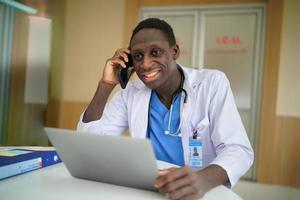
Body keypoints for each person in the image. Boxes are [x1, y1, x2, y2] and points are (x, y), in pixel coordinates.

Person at [77, 18, 253, 199]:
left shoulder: (210, 84)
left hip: (200, 193)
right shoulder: (131, 92)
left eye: (155, 52)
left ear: (174, 51)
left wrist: (202, 180)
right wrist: (106, 84)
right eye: (137, 56)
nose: (145, 64)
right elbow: (90, 143)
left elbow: (238, 150)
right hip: (151, 190)